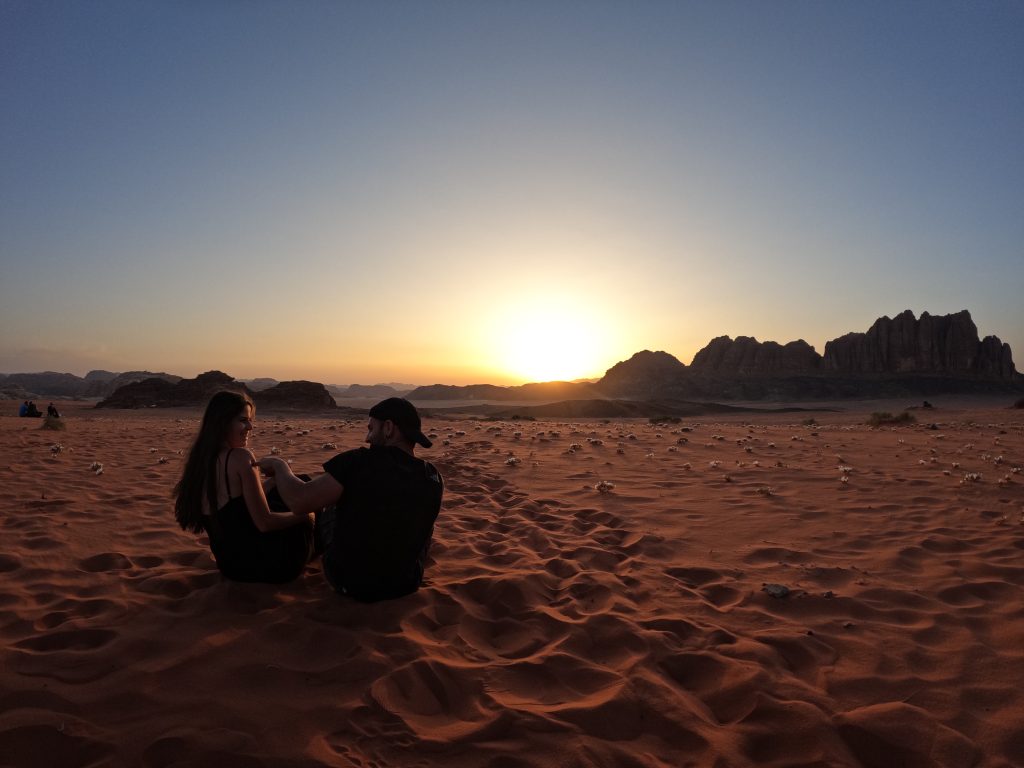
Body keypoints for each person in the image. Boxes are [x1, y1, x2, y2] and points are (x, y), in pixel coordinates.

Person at [259, 397, 443, 602]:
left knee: (325, 503)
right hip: (406, 584)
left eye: (371, 429)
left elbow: (299, 501)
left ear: (388, 428)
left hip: (351, 582)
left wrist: (280, 467)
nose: (367, 438)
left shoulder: (358, 461)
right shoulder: (432, 475)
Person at [173, 390, 315, 583]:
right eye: (243, 420)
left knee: (289, 484)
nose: (250, 427)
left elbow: (236, 506)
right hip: (266, 566)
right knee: (307, 499)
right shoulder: (240, 457)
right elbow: (265, 522)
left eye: (250, 420)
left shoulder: (201, 460)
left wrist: (273, 481)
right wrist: (306, 516)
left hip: (230, 566)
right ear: (223, 422)